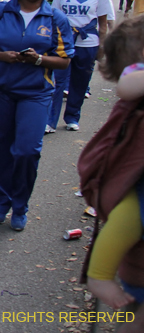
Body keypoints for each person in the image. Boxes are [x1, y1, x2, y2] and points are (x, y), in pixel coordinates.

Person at [0, 0, 74, 231]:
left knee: (27, 151)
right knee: (0, 149)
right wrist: (1, 56)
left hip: (35, 94)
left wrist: (39, 60)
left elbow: (64, 60)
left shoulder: (56, 19)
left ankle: (20, 206)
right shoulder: (0, 11)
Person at [84, 17, 144, 311]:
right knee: (130, 217)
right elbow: (127, 87)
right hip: (139, 179)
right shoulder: (136, 73)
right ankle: (99, 276)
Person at [46, 0, 114, 133]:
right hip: (64, 42)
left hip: (88, 43)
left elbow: (103, 23)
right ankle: (50, 121)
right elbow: (54, 17)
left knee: (79, 83)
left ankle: (72, 118)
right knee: (57, 82)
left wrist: (102, 48)